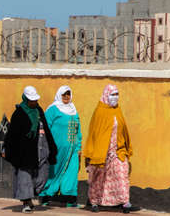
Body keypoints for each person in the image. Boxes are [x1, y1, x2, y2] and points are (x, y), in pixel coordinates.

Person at [83, 84, 140, 213]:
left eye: (117, 94)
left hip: (117, 151)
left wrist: (125, 146)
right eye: (112, 94)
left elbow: (124, 129)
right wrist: (91, 152)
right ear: (106, 95)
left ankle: (125, 202)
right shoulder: (100, 111)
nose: (115, 97)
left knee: (121, 174)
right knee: (99, 178)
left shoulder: (117, 110)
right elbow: (93, 133)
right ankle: (94, 202)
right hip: (102, 152)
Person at [3, 86, 57, 214]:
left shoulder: (39, 111)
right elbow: (12, 135)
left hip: (41, 149)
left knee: (42, 177)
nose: (34, 102)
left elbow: (47, 130)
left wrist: (51, 147)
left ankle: (30, 196)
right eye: (31, 100)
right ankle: (26, 202)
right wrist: (7, 148)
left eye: (35, 100)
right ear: (26, 99)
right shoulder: (19, 114)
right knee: (25, 177)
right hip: (24, 153)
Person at [39, 85, 82, 207]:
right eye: (64, 94)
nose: (67, 97)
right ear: (59, 95)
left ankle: (70, 199)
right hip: (56, 149)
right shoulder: (53, 110)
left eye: (68, 94)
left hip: (72, 150)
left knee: (72, 172)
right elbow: (45, 128)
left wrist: (79, 147)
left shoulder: (73, 110)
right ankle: (45, 196)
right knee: (54, 172)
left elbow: (78, 130)